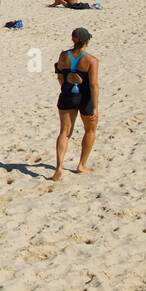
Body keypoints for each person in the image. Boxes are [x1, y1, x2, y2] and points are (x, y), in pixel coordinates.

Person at [51, 28, 99, 180]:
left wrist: (64, 87)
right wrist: (95, 106)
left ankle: (59, 167)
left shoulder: (64, 55)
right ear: (86, 41)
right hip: (85, 97)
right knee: (90, 130)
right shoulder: (91, 60)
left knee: (64, 132)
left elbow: (59, 75)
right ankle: (81, 165)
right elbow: (93, 85)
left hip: (67, 94)